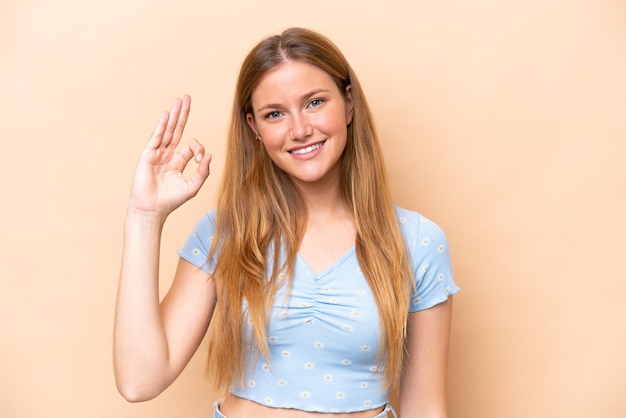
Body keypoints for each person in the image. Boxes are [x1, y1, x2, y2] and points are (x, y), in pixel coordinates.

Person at [113, 27, 459, 418]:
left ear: (348, 104)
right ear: (254, 128)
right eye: (274, 114)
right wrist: (144, 216)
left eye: (314, 102)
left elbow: (425, 407)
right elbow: (139, 380)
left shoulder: (418, 242)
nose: (299, 129)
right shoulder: (223, 234)